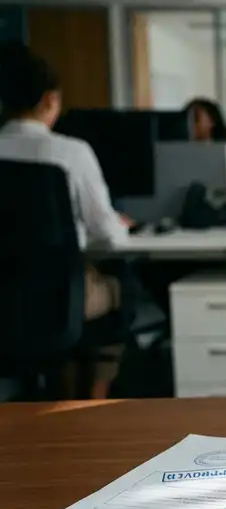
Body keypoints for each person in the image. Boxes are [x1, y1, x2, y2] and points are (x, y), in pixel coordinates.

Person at [0, 43, 130, 397]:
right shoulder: (70, 152)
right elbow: (110, 238)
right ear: (49, 100)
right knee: (122, 287)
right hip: (58, 296)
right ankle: (93, 396)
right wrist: (120, 225)